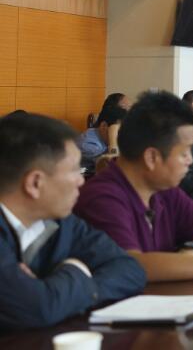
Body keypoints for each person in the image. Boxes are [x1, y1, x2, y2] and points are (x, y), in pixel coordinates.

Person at [74, 92, 193, 282]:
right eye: (184, 153)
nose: (190, 161)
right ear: (151, 157)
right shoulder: (102, 197)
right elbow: (132, 266)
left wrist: (189, 255)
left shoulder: (163, 190)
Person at [0, 113, 145, 330]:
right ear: (35, 183)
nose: (81, 181)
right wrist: (77, 270)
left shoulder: (61, 222)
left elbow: (131, 269)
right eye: (75, 171)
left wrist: (56, 289)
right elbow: (37, 309)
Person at [78, 100, 128, 170]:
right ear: (104, 126)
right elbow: (113, 168)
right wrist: (113, 139)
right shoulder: (89, 144)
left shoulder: (104, 138)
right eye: (119, 131)